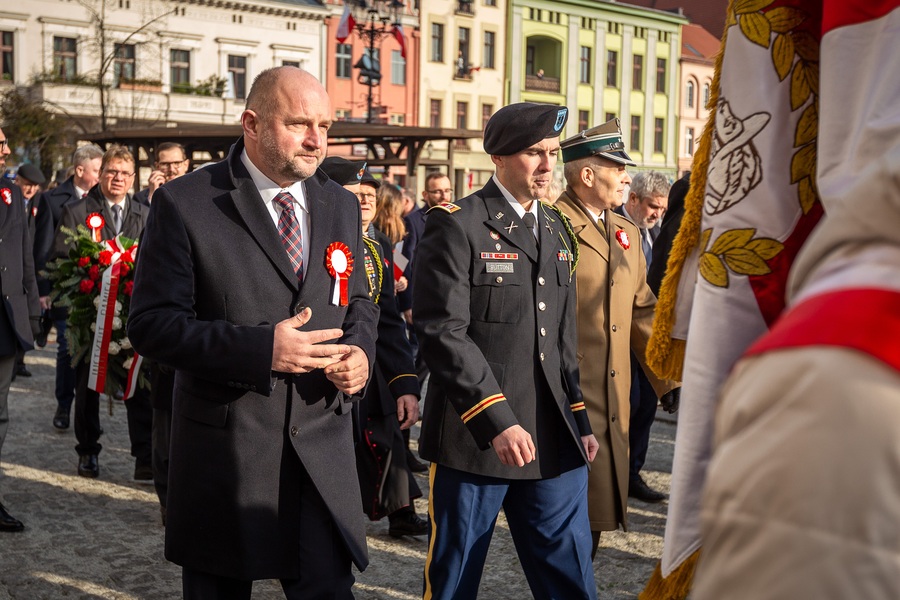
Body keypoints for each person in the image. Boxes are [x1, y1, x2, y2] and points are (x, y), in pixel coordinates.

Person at [127, 66, 378, 599]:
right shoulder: (187, 202)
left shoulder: (339, 203)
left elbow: (358, 299)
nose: (317, 141)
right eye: (299, 124)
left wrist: (360, 352)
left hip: (320, 448)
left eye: (326, 126)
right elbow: (151, 326)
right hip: (228, 454)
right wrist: (262, 349)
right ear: (252, 123)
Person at [413, 102, 600, 599]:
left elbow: (561, 339)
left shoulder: (557, 230)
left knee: (571, 576)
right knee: (455, 579)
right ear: (497, 157)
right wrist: (496, 420)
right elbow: (442, 332)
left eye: (552, 153)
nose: (546, 165)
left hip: (550, 435)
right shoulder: (457, 223)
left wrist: (579, 420)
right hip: (476, 437)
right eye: (533, 153)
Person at [554, 119, 679, 558]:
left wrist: (669, 379)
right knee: (565, 520)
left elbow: (642, 308)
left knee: (596, 518)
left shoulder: (622, 232)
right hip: (565, 397)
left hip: (614, 398)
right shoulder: (552, 224)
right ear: (586, 175)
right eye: (617, 166)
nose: (627, 175)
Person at [320, 157, 427, 538]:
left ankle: (400, 512)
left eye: (369, 195)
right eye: (356, 194)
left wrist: (406, 383)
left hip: (372, 358)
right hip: (323, 363)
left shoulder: (376, 244)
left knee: (387, 433)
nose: (364, 202)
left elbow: (389, 318)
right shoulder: (315, 237)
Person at [53, 145, 153, 481]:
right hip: (89, 313)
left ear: (133, 178)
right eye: (112, 172)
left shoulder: (146, 213)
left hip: (133, 314)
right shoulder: (77, 211)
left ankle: (144, 455)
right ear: (101, 174)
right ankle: (87, 452)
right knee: (87, 385)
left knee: (140, 383)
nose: (118, 179)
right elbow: (60, 261)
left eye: (125, 174)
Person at [38, 144, 104, 430]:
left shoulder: (103, 201)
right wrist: (44, 290)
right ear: (80, 170)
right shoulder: (53, 200)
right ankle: (64, 405)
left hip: (99, 292)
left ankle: (89, 412)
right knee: (67, 349)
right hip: (65, 291)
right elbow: (42, 249)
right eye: (98, 170)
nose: (102, 177)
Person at [615, 170, 671, 503]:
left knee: (646, 408)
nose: (657, 214)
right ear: (633, 199)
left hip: (647, 339)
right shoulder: (611, 228)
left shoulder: (656, 233)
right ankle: (615, 473)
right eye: (652, 206)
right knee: (626, 407)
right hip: (619, 337)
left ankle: (633, 473)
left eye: (662, 209)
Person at [0, 126, 42, 532]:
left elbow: (25, 257)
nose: (8, 150)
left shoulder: (11, 195)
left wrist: (31, 314)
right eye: (0, 144)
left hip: (4, 326)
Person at [12, 164, 52, 376]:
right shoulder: (7, 199)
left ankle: (20, 360)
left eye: (35, 186)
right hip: (11, 266)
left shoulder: (39, 202)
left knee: (27, 314)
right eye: (27, 185)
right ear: (17, 180)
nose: (30, 190)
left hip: (31, 266)